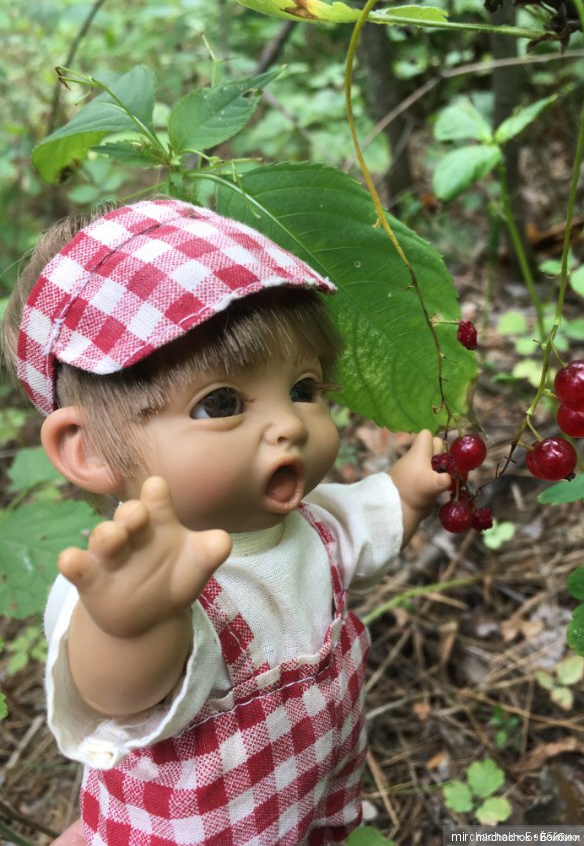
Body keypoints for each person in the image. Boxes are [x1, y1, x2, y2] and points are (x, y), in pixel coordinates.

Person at [2, 198, 450, 846]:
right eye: (221, 403)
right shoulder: (130, 577)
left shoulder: (313, 524)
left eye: (304, 388)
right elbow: (117, 697)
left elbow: (370, 521)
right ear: (91, 450)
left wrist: (410, 489)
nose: (291, 424)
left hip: (302, 797)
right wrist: (132, 626)